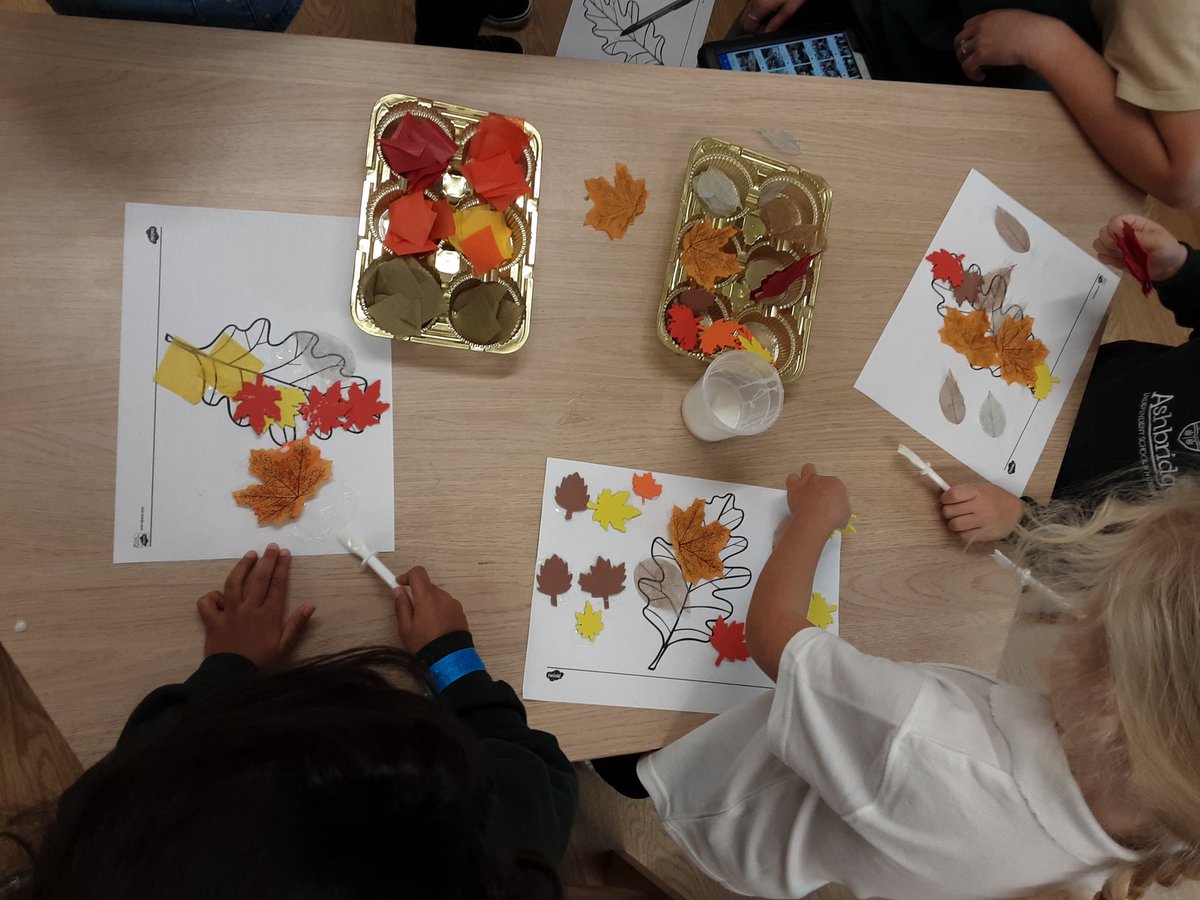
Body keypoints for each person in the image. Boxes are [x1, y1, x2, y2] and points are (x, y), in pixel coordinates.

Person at [635, 464, 1200, 899]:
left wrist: (812, 520)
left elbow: (771, 635)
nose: (1074, 616)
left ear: (1110, 706)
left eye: (1093, 616)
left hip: (733, 802)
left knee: (624, 743)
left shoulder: (923, 740)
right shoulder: (1168, 809)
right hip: (840, 824)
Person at [25, 544, 577, 899]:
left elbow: (157, 754)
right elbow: (539, 772)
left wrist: (227, 666)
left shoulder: (99, 843)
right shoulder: (490, 855)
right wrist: (454, 662)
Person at [941, 213, 1200, 543]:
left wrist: (1025, 523)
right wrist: (1179, 270)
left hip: (1044, 503)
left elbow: (1144, 575)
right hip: (1081, 378)